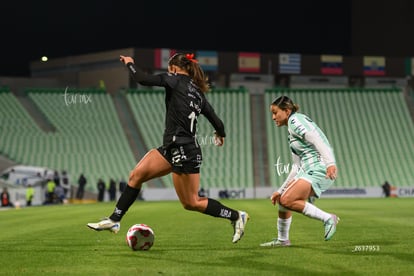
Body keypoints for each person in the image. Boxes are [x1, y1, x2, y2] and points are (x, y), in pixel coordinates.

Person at [87, 53, 249, 243]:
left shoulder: (175, 80)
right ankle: (114, 220)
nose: (167, 71)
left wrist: (130, 64)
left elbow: (142, 79)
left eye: (168, 68)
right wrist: (220, 134)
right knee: (136, 175)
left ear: (173, 68)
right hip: (172, 147)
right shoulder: (198, 92)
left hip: (184, 149)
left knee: (191, 202)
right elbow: (217, 121)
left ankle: (237, 216)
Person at [260, 96, 339, 247]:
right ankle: (283, 240)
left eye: (275, 113)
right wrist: (280, 190)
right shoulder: (292, 131)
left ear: (287, 111)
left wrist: (330, 163)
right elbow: (296, 167)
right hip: (308, 169)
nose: (273, 117)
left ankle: (328, 218)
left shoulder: (295, 121)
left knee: (287, 200)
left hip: (318, 168)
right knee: (283, 198)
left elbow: (317, 139)